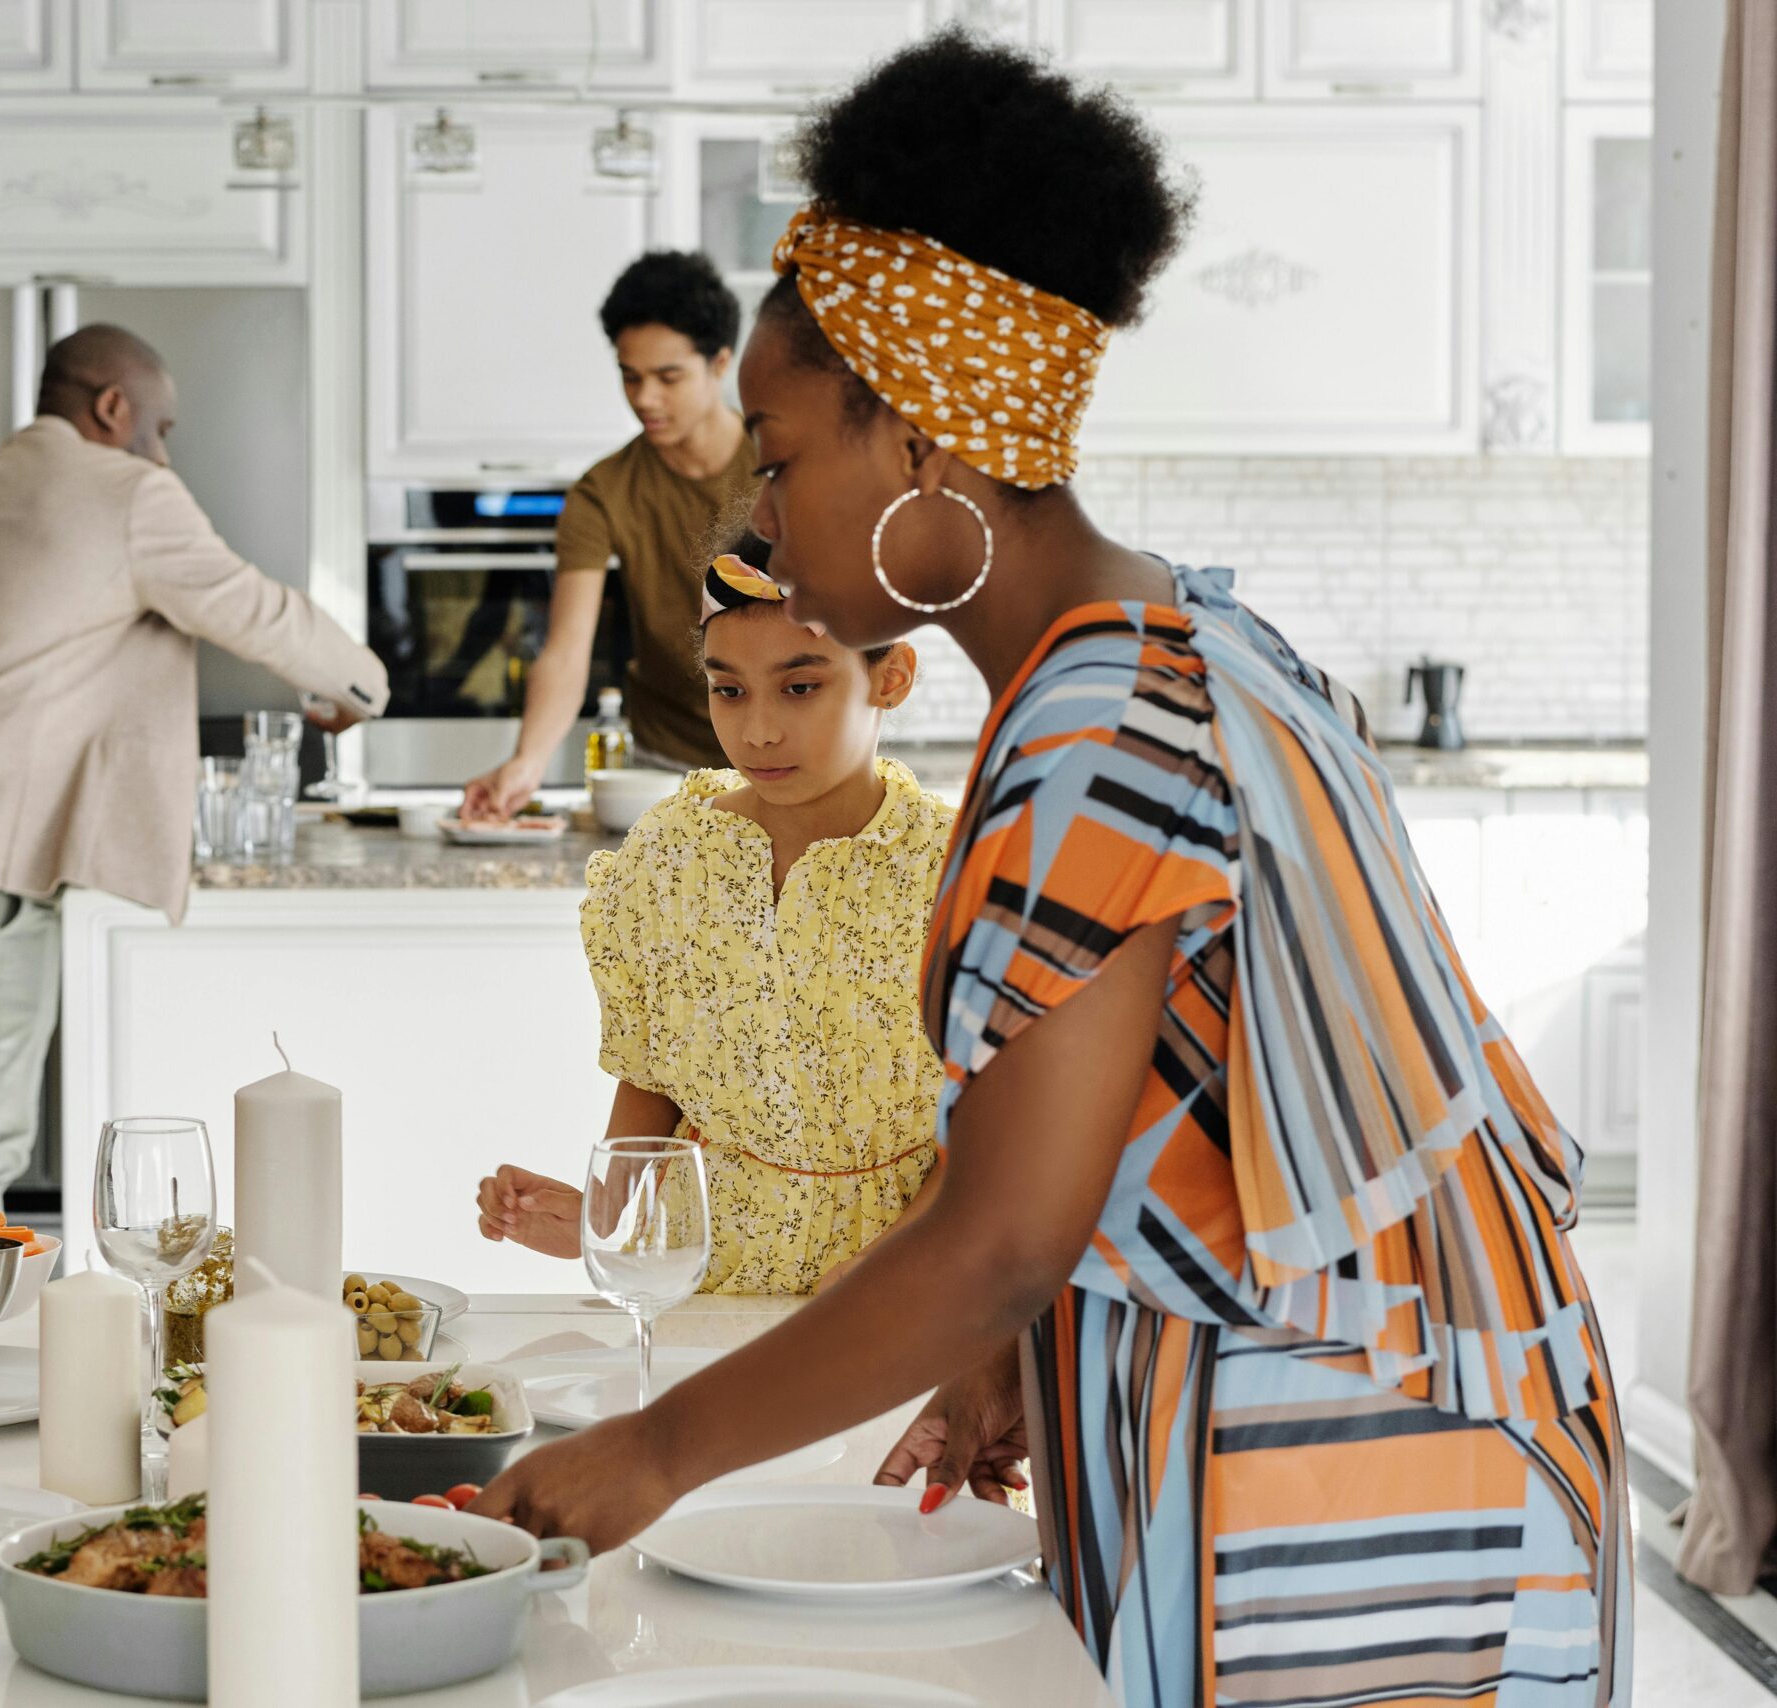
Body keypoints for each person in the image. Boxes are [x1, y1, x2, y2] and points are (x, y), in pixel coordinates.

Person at [471, 35, 1629, 1707]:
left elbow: (1003, 1232)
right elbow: (1180, 1112)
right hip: (1400, 1399)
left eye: (784, 457)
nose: (766, 515)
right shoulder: (1176, 638)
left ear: (928, 447)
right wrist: (1026, 1349)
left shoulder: (1095, 728)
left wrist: (656, 1448)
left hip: (1339, 1464)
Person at [0, 323, 389, 1227]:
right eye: (164, 427)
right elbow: (253, 609)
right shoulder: (129, 493)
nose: (165, 451)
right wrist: (364, 685)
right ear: (115, 407)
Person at [475, 545, 954, 1294]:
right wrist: (600, 1225)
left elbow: (993, 1138)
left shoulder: (955, 871)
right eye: (729, 691)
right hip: (699, 1279)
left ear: (889, 678)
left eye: (799, 687)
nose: (758, 730)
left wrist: (875, 1276)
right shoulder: (669, 857)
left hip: (905, 1291)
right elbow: (652, 1079)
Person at [461, 251, 758, 819]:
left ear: (720, 364)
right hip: (666, 767)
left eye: (668, 378)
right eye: (630, 376)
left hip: (788, 753)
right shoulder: (603, 492)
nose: (645, 398)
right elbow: (566, 651)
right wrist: (527, 761)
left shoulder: (783, 470)